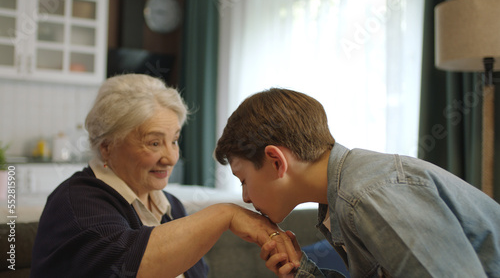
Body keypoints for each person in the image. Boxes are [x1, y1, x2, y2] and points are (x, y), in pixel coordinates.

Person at [31, 74, 300, 277]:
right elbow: (130, 264)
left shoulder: (170, 205)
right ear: (107, 146)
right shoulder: (77, 201)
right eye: (154, 142)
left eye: (174, 140)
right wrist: (225, 214)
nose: (171, 157)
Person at [214, 88, 500, 278]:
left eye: (243, 180)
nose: (246, 197)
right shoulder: (340, 201)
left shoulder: (365, 195)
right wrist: (302, 271)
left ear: (276, 161)